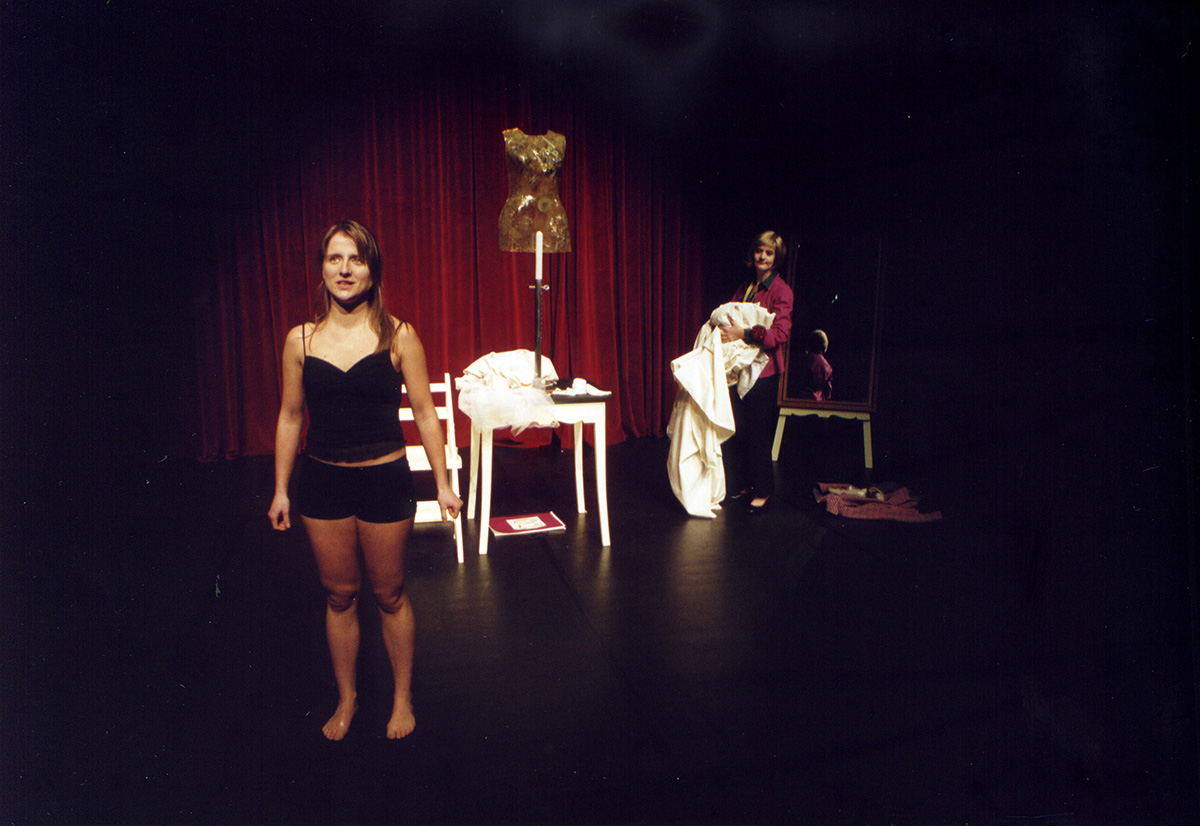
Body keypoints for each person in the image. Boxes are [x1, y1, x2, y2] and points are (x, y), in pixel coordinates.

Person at [268, 220, 462, 741]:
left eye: (356, 259)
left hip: (384, 482)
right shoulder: (300, 341)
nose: (345, 269)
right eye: (335, 258)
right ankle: (348, 697)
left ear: (373, 270)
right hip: (323, 484)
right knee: (339, 595)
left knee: (390, 594)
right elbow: (290, 416)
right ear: (322, 269)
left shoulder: (400, 336)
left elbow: (425, 413)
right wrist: (281, 489)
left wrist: (443, 483)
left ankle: (401, 698)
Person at [718, 230, 793, 514]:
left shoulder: (781, 291)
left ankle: (762, 490)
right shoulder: (746, 288)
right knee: (737, 429)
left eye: (769, 252)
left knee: (758, 433)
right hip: (739, 368)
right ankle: (740, 485)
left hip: (764, 371)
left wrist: (745, 333)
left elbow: (779, 334)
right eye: (760, 250)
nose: (763, 256)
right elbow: (730, 315)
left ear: (777, 258)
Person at [795, 329, 833, 401]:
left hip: (801, 400)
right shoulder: (827, 367)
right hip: (818, 402)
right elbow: (828, 392)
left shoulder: (802, 360)